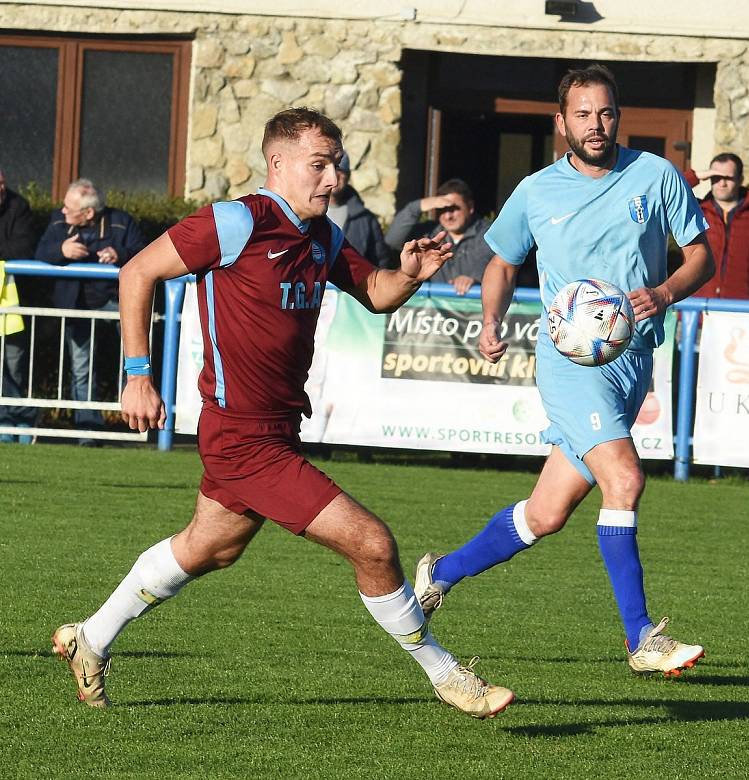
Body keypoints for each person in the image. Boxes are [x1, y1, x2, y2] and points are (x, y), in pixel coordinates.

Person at [51, 108, 514, 719]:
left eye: (337, 165)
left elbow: (375, 293)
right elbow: (138, 272)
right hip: (240, 437)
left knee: (211, 547)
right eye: (318, 165)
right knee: (373, 544)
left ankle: (91, 636)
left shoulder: (320, 236)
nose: (333, 179)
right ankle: (447, 673)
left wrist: (409, 273)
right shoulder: (236, 220)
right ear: (277, 164)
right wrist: (137, 376)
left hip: (277, 431)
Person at [414, 64, 715, 677]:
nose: (595, 125)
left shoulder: (655, 176)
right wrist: (491, 321)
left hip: (632, 362)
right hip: (570, 365)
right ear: (561, 122)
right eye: (583, 114)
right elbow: (500, 263)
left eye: (605, 113)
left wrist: (663, 293)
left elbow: (701, 257)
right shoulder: (536, 190)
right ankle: (641, 639)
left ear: (617, 117)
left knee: (546, 514)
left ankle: (439, 574)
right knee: (624, 480)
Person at [35, 178, 146, 444]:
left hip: (119, 304)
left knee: (134, 365)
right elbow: (39, 251)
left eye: (69, 208)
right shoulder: (58, 222)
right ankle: (88, 431)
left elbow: (145, 254)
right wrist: (61, 250)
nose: (62, 211)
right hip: (78, 305)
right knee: (82, 368)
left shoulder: (121, 221)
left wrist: (119, 253)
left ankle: (135, 425)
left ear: (88, 213)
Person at [685, 153, 749, 300]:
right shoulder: (695, 211)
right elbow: (665, 192)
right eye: (716, 177)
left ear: (741, 180)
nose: (722, 183)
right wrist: (697, 176)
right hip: (695, 312)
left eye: (728, 178)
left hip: (740, 315)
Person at [386, 179, 494, 295]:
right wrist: (417, 207)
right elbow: (392, 241)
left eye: (454, 209)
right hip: (432, 311)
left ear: (470, 207)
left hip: (475, 309)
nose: (448, 216)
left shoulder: (488, 232)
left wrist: (474, 278)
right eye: (442, 209)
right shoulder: (429, 233)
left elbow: (489, 258)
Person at [0, 168, 38, 443]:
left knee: (13, 366)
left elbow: (23, 249)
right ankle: (17, 417)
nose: (2, 188)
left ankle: (18, 421)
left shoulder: (18, 206)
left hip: (13, 303)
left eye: (3, 182)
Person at [327, 150, 391, 268]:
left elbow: (380, 263)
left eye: (341, 170)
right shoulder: (304, 212)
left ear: (348, 176)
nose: (335, 175)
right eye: (332, 170)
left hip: (350, 286)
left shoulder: (366, 220)